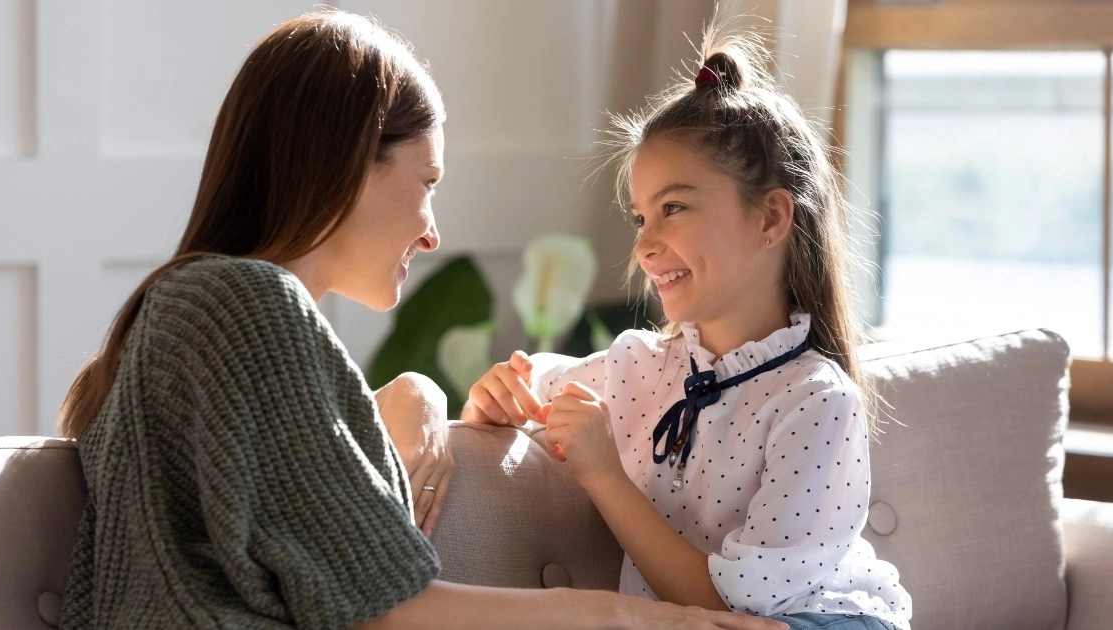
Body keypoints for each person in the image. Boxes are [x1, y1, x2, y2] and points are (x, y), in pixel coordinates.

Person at [56, 10, 788, 630]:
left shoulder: (201, 305)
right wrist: (642, 617)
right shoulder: (242, 301)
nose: (433, 232)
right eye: (427, 181)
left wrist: (413, 393)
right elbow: (385, 607)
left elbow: (273, 502)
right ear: (347, 162)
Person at [463, 22, 912, 630]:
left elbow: (737, 611)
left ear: (771, 218)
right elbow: (537, 386)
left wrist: (603, 473)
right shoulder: (642, 369)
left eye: (673, 207)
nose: (645, 245)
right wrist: (497, 395)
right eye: (641, 216)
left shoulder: (817, 403)